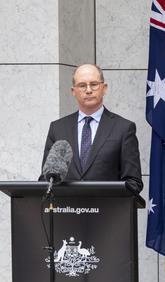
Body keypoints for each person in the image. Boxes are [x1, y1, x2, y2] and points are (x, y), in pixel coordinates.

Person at [40, 64, 143, 193]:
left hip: (108, 210)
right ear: (73, 91)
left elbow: (133, 182)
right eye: (82, 85)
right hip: (66, 209)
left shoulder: (123, 128)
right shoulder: (58, 128)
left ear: (104, 88)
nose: (88, 90)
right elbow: (46, 179)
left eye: (94, 84)